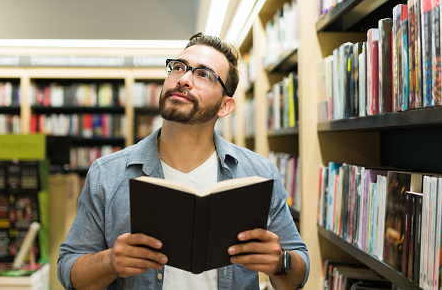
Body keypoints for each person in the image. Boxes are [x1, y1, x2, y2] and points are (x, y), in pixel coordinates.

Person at [57, 32, 310, 289]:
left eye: (204, 75)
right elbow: (69, 270)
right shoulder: (106, 174)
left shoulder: (259, 172)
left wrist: (280, 262)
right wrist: (110, 261)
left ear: (225, 106)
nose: (185, 79)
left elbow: (298, 271)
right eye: (178, 68)